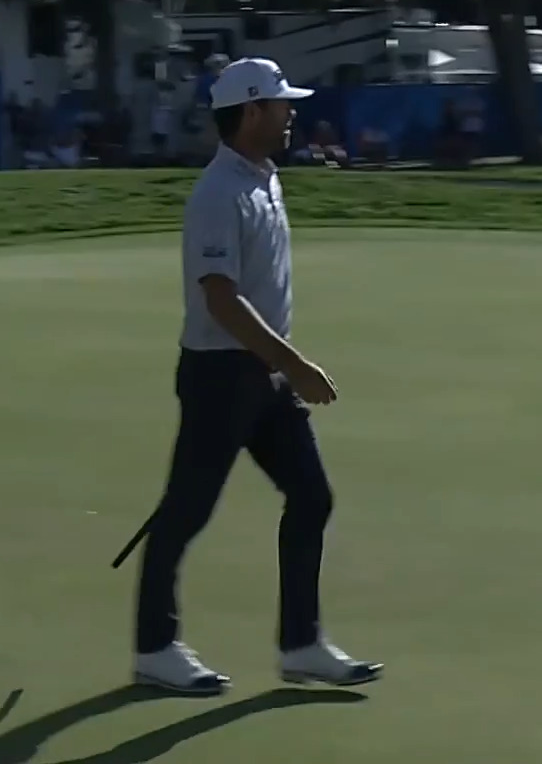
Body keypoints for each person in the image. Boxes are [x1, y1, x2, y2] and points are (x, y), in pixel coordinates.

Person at [133, 57, 383, 696]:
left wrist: (279, 366)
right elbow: (221, 298)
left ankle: (301, 644)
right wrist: (292, 364)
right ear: (251, 112)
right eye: (280, 103)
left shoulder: (264, 178)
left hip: (262, 374)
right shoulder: (218, 193)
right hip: (221, 375)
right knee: (186, 513)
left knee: (312, 495)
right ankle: (154, 648)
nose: (291, 111)